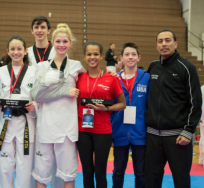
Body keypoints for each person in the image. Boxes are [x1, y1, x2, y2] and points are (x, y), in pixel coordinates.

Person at [144, 30, 202, 188]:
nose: (164, 44)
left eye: (167, 40)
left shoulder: (187, 67)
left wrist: (188, 130)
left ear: (175, 44)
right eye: (160, 41)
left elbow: (195, 102)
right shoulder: (153, 67)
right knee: (151, 180)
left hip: (178, 138)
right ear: (156, 45)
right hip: (153, 137)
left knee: (181, 180)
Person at [31, 23, 85, 188]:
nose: (61, 45)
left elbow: (91, 83)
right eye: (58, 41)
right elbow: (36, 95)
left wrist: (113, 73)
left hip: (67, 128)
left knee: (68, 173)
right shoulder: (41, 67)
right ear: (52, 42)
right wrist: (64, 92)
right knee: (41, 172)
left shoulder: (76, 67)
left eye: (65, 41)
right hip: (46, 125)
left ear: (70, 43)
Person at [0, 36, 37, 188]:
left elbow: (39, 98)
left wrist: (35, 106)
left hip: (26, 123)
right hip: (5, 123)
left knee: (25, 167)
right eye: (13, 49)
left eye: (19, 48)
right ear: (7, 52)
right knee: (3, 166)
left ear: (25, 51)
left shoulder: (34, 72)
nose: (16, 52)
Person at [76, 41, 126, 188]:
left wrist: (106, 109)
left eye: (96, 54)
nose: (92, 57)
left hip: (103, 131)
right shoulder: (77, 77)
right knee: (86, 172)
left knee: (100, 172)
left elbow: (122, 104)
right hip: (82, 130)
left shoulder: (111, 78)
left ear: (102, 56)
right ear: (84, 57)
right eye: (89, 54)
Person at [28, 15, 63, 188]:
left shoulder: (58, 52)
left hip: (52, 107)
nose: (39, 30)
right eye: (36, 27)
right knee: (33, 152)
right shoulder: (26, 53)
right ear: (32, 30)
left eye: (43, 27)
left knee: (55, 151)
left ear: (49, 30)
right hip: (30, 108)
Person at [111, 42, 150, 188]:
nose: (130, 57)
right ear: (121, 58)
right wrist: (110, 131)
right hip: (119, 131)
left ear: (139, 57)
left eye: (133, 54)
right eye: (127, 54)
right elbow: (111, 107)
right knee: (118, 172)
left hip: (140, 133)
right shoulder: (115, 79)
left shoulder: (147, 78)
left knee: (140, 173)